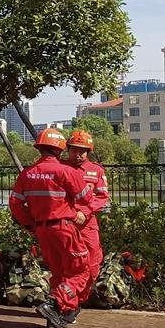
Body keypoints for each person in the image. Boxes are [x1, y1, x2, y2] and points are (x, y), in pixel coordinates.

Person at [9, 128, 93, 328]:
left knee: (58, 272)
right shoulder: (66, 171)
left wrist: (30, 224)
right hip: (64, 227)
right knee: (81, 270)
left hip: (42, 230)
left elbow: (15, 204)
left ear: (39, 148)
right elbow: (86, 198)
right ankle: (54, 302)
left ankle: (59, 314)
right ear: (60, 150)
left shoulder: (27, 174)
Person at [65, 129, 110, 314]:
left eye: (82, 151)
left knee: (92, 265)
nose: (78, 154)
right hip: (65, 224)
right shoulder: (61, 168)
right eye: (74, 150)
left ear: (88, 152)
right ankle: (66, 304)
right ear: (68, 150)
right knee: (67, 267)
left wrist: (85, 211)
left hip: (87, 224)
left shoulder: (96, 170)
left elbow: (102, 196)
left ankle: (78, 300)